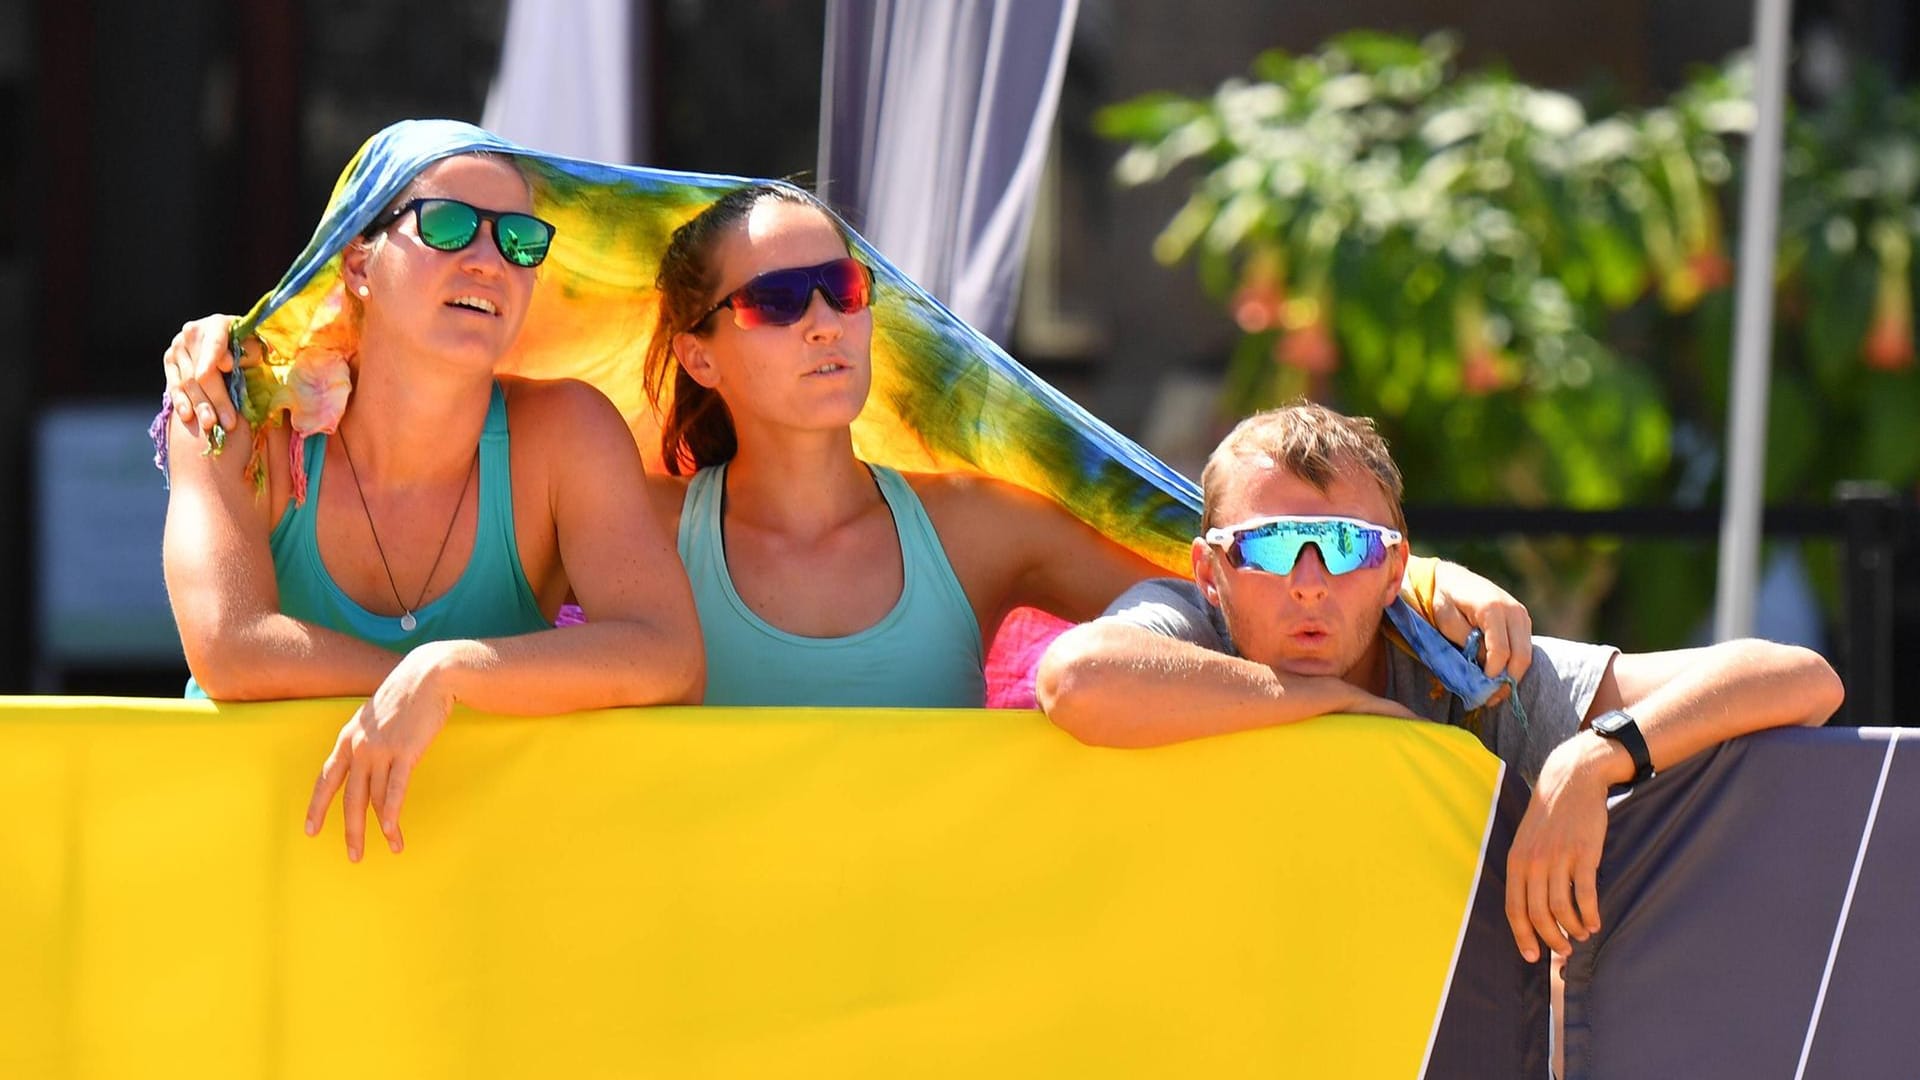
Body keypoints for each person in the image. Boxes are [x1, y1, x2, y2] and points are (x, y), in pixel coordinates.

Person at [169, 176, 1530, 710]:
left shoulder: (974, 523)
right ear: (699, 350)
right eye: (776, 300)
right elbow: (445, 396)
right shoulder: (638, 516)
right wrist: (277, 354)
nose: (826, 322)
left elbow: (1207, 554)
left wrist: (1407, 578)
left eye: (845, 290)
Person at [1035, 401, 1845, 963]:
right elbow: (1074, 680)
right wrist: (1337, 704)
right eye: (1274, 546)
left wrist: (1591, 761)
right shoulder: (1182, 624)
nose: (1310, 582)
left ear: (1393, 570)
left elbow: (1800, 677)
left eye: (1346, 546)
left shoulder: (1459, 672)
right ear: (1210, 574)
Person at [161, 152, 703, 864]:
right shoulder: (238, 407)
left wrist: (448, 673)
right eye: (448, 225)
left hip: (480, 879)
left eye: (520, 242)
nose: (489, 259)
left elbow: (670, 659)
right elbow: (229, 647)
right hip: (252, 859)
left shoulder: (567, 433)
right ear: (359, 263)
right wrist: (420, 678)